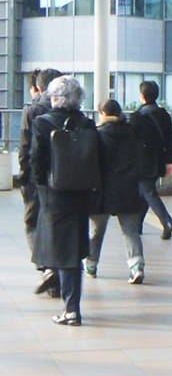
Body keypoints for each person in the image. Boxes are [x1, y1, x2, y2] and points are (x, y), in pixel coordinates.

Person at [30, 76, 96, 326]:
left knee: (62, 250)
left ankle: (71, 309)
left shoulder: (43, 123)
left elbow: (37, 161)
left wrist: (41, 188)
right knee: (74, 251)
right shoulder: (87, 124)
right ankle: (71, 304)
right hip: (80, 194)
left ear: (55, 97)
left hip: (54, 195)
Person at [87, 99, 147, 284]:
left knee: (96, 231)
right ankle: (136, 266)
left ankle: (91, 264)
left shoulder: (97, 136)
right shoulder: (131, 134)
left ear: (102, 114)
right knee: (130, 231)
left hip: (102, 190)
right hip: (127, 188)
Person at [19, 68, 63, 297]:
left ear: (38, 87)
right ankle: (56, 275)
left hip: (38, 177)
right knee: (56, 224)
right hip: (64, 177)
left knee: (33, 222)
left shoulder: (32, 109)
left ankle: (47, 269)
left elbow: (26, 146)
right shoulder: (68, 110)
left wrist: (24, 175)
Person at [130, 80, 172, 240]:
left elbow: (131, 141)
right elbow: (170, 139)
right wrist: (170, 161)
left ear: (142, 96)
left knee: (148, 192)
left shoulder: (137, 117)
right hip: (159, 160)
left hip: (142, 161)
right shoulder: (164, 115)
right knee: (144, 192)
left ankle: (167, 222)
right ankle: (137, 226)